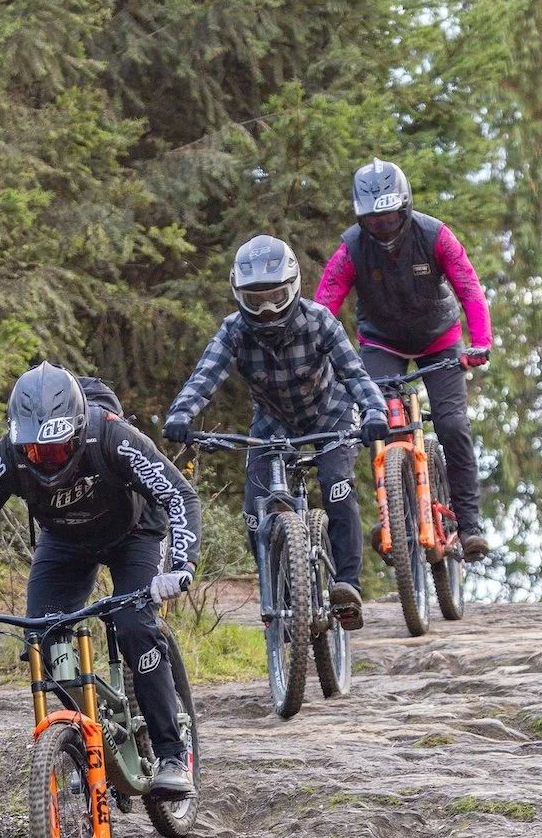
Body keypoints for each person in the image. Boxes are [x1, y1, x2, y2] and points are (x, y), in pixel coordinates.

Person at [0, 363, 201, 796]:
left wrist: (180, 567)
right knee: (45, 639)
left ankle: (171, 753)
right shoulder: (7, 457)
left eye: (55, 449)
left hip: (135, 534)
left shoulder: (110, 435)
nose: (45, 459)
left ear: (77, 429)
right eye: (35, 453)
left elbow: (178, 492)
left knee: (134, 627)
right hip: (65, 541)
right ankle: (79, 742)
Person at [163, 235, 389, 628]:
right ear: (238, 295)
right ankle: (279, 600)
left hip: (330, 413)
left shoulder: (319, 320)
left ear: (294, 287)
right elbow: (206, 376)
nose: (267, 310)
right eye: (255, 300)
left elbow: (355, 373)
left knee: (338, 485)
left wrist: (373, 410)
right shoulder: (234, 330)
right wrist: (181, 414)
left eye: (275, 296)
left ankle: (347, 586)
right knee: (255, 509)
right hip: (272, 421)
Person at [315, 159, 492, 559]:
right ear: (362, 219)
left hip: (440, 341)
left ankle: (469, 525)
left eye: (391, 217)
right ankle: (392, 509)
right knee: (380, 426)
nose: (384, 227)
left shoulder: (435, 236)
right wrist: (316, 356)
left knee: (452, 426)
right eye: (374, 222)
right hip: (381, 344)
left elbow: (468, 286)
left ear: (406, 207)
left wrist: (479, 342)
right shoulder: (351, 250)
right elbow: (322, 309)